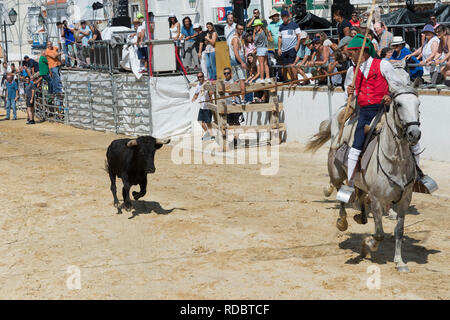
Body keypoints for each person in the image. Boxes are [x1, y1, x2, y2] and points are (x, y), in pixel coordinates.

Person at [342, 34, 404, 190]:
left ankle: (417, 173)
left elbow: (398, 86)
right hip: (365, 112)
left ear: (362, 52)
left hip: (384, 110)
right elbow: (348, 96)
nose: (350, 57)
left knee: (407, 136)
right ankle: (350, 182)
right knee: (355, 145)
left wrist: (389, 95)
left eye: (352, 53)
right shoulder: (352, 71)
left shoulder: (383, 65)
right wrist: (350, 91)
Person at [278, 10, 301, 86]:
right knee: (286, 66)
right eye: (282, 16)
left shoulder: (294, 25)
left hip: (292, 48)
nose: (284, 18)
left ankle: (295, 81)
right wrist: (279, 48)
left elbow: (299, 36)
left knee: (292, 65)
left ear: (288, 16)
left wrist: (296, 47)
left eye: (285, 16)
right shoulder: (281, 26)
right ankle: (291, 81)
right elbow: (280, 38)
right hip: (284, 49)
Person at [192, 72, 214, 141]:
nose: (200, 78)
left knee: (208, 122)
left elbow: (211, 92)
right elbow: (196, 94)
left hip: (207, 106)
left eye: (201, 76)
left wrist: (209, 89)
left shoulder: (207, 84)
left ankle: (211, 135)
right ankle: (207, 133)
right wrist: (193, 99)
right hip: (202, 106)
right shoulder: (198, 85)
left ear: (203, 76)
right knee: (200, 121)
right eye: (198, 77)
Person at [230, 23, 247, 105]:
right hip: (238, 61)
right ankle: (242, 99)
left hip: (234, 61)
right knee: (242, 80)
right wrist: (242, 62)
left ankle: (233, 99)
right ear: (236, 29)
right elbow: (236, 52)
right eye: (240, 29)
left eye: (242, 29)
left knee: (235, 80)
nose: (241, 30)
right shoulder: (235, 39)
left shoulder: (236, 38)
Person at [253, 19, 271, 83]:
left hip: (260, 49)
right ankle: (268, 77)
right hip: (265, 49)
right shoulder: (264, 31)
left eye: (256, 26)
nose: (255, 27)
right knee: (265, 64)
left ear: (259, 26)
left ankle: (261, 78)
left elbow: (254, 41)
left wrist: (254, 33)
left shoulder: (258, 33)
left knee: (261, 64)